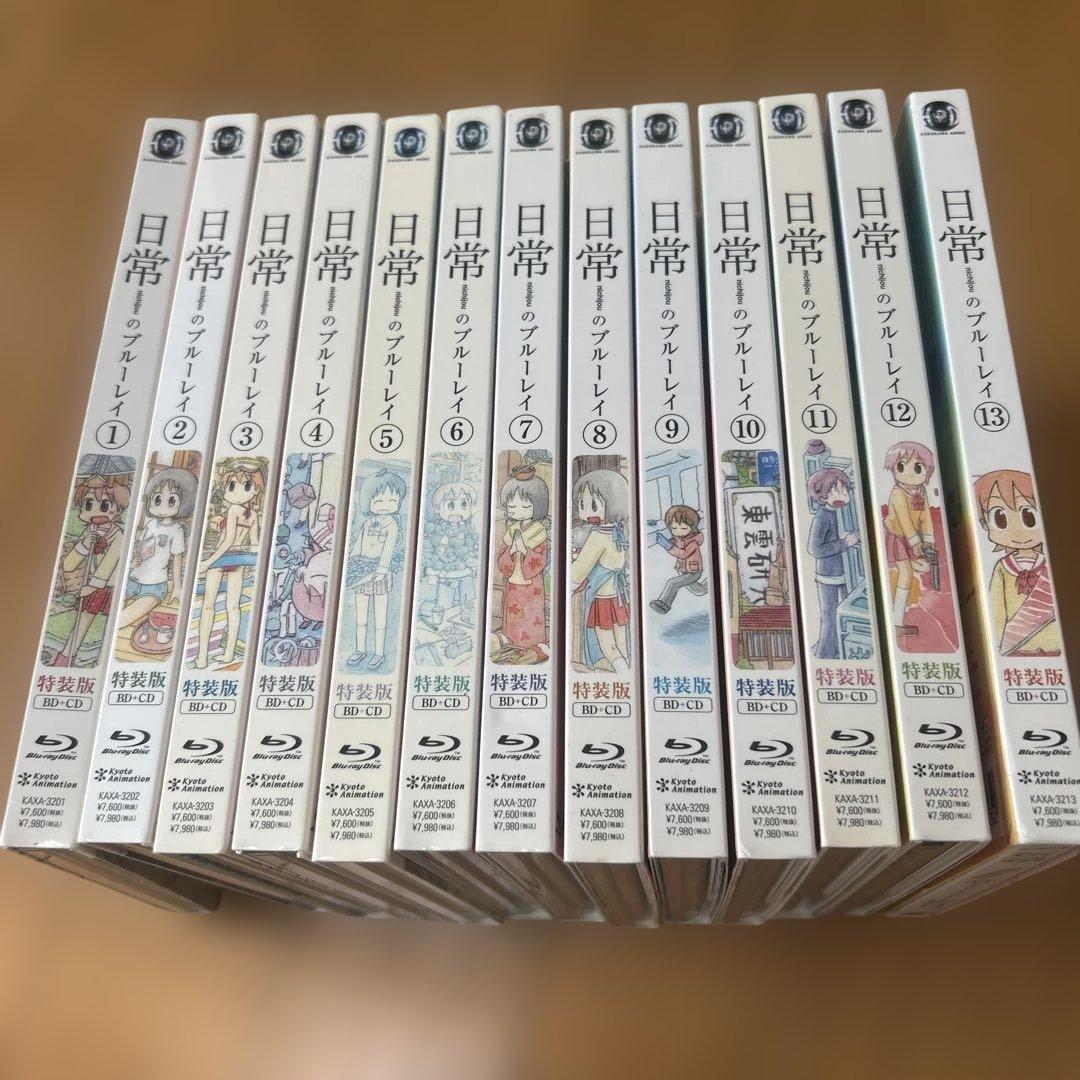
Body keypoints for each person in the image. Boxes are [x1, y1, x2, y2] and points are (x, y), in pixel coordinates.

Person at [975, 468, 1060, 656]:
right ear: (984, 525)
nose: (1017, 530)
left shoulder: (1049, 566)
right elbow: (996, 609)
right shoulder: (1002, 568)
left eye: (1028, 516)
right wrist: (997, 646)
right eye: (1000, 519)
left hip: (1054, 644)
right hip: (1016, 647)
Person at [54, 472, 131, 666]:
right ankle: (66, 658)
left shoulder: (119, 535)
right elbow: (68, 565)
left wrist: (92, 587)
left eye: (105, 505)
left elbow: (109, 565)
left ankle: (102, 661)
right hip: (93, 587)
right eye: (88, 505)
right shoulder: (89, 532)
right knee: (83, 620)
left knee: (111, 626)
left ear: (118, 508)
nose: (96, 511)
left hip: (112, 587)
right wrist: (84, 544)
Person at [193, 459, 264, 669]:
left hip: (222, 558)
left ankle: (202, 657)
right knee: (233, 606)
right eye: (231, 485)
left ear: (254, 490)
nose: (235, 491)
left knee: (208, 606)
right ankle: (228, 654)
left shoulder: (233, 509)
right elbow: (254, 543)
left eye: (245, 486)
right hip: (239, 559)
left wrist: (208, 562)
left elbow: (227, 541)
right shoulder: (253, 515)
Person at [119, 466, 197, 631]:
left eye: (171, 501)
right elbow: (138, 546)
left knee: (123, 619)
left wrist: (177, 588)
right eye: (157, 499)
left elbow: (177, 560)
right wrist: (133, 561)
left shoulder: (176, 530)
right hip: (133, 579)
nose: (163, 508)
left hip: (155, 586)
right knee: (109, 610)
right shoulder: (150, 524)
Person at [569, 468, 631, 673]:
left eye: (593, 505)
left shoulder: (598, 536)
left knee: (609, 647)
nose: (586, 511)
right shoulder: (618, 533)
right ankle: (627, 671)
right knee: (622, 644)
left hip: (603, 599)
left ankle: (623, 675)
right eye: (581, 504)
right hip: (620, 598)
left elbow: (578, 570)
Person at [345, 469, 406, 670]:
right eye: (379, 501)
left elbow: (388, 549)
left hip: (380, 573)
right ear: (368, 501)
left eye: (392, 500)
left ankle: (379, 653)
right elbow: (358, 545)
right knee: (361, 616)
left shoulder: (392, 524)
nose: (385, 505)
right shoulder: (368, 522)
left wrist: (382, 570)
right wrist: (352, 563)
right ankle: (360, 649)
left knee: (380, 617)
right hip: (362, 570)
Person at [493, 464, 549, 661]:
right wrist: (511, 550)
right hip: (513, 580)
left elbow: (541, 557)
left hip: (532, 583)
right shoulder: (512, 529)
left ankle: (533, 642)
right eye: (512, 506)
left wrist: (524, 550)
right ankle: (511, 638)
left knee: (531, 612)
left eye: (525, 506)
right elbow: (502, 557)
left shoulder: (539, 530)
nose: (517, 510)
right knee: (512, 609)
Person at [882, 442, 936, 635]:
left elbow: (926, 516)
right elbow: (904, 520)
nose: (910, 474)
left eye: (918, 468)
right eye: (901, 467)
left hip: (914, 537)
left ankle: (897, 618)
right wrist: (916, 542)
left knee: (921, 567)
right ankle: (896, 622)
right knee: (905, 573)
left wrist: (928, 540)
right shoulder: (898, 493)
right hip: (898, 536)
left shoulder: (921, 491)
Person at [806, 466, 860, 660]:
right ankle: (825, 653)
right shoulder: (822, 517)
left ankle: (843, 649)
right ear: (822, 495)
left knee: (847, 613)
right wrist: (844, 544)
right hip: (828, 575)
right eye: (835, 491)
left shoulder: (846, 513)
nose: (842, 496)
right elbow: (814, 549)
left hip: (848, 573)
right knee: (829, 615)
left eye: (844, 491)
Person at [650, 504, 709, 614]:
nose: (678, 532)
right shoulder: (678, 538)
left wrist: (668, 546)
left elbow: (683, 553)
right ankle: (712, 580)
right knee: (699, 590)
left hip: (693, 572)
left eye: (684, 528)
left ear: (692, 527)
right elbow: (675, 543)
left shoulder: (693, 542)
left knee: (673, 583)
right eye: (674, 528)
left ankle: (664, 604)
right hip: (682, 569)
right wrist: (667, 542)